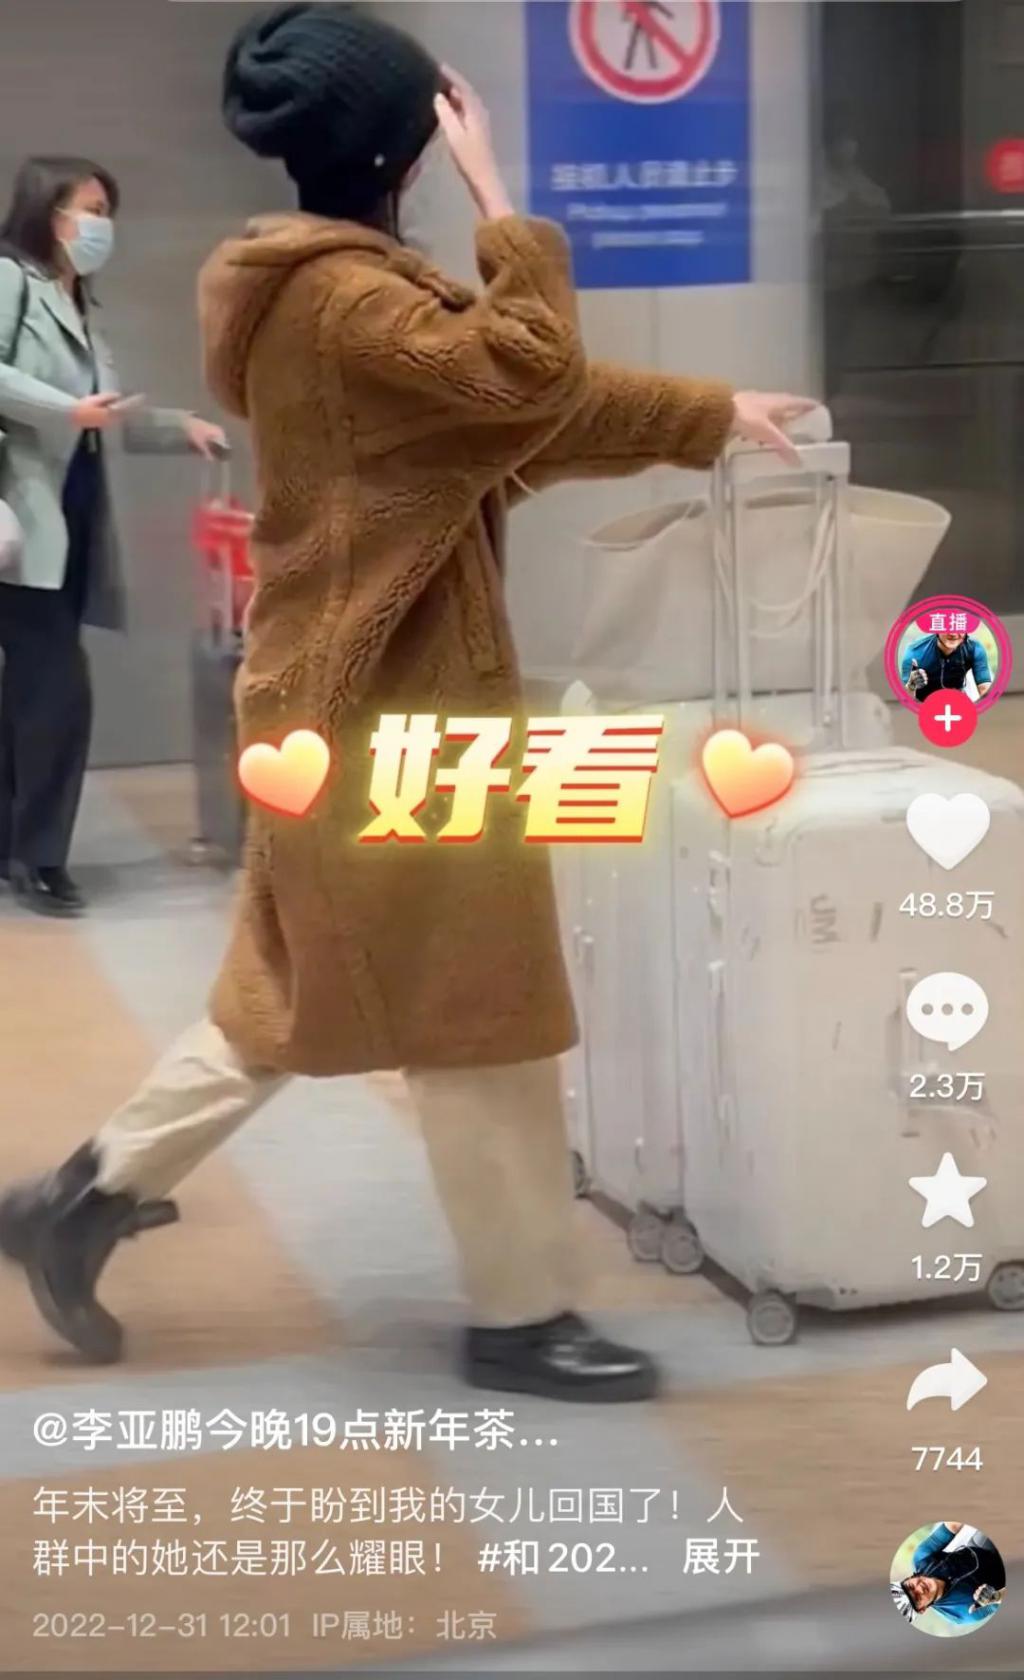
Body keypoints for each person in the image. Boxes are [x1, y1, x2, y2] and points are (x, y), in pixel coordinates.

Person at [0, 3, 815, 1400]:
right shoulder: (350, 301)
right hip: (391, 703)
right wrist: (505, 199)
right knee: (480, 1004)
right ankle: (519, 1317)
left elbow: (514, 415)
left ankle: (77, 1200)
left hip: (335, 696)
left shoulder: (325, 292)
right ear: (409, 153)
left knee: (291, 994)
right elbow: (529, 373)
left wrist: (702, 413)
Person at [0, 156, 226, 917]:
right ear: (50, 212)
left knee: (32, 689)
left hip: (70, 520)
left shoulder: (78, 304)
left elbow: (108, 410)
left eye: (108, 212)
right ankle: (40, 858)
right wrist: (66, 410)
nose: (103, 226)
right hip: (19, 523)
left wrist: (176, 426)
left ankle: (12, 846)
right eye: (92, 209)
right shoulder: (11, 280)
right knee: (58, 691)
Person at [890, 1523, 1005, 1627]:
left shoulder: (921, 1559)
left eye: (911, 1586)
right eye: (917, 1598)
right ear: (922, 1609)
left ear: (908, 1579)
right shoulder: (963, 1614)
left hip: (983, 1551)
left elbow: (951, 1526)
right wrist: (995, 1597)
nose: (920, 1588)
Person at [901, 625, 993, 704]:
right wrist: (911, 685)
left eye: (958, 627)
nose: (953, 634)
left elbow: (985, 689)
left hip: (957, 703)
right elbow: (904, 701)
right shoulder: (915, 651)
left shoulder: (974, 648)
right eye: (947, 627)